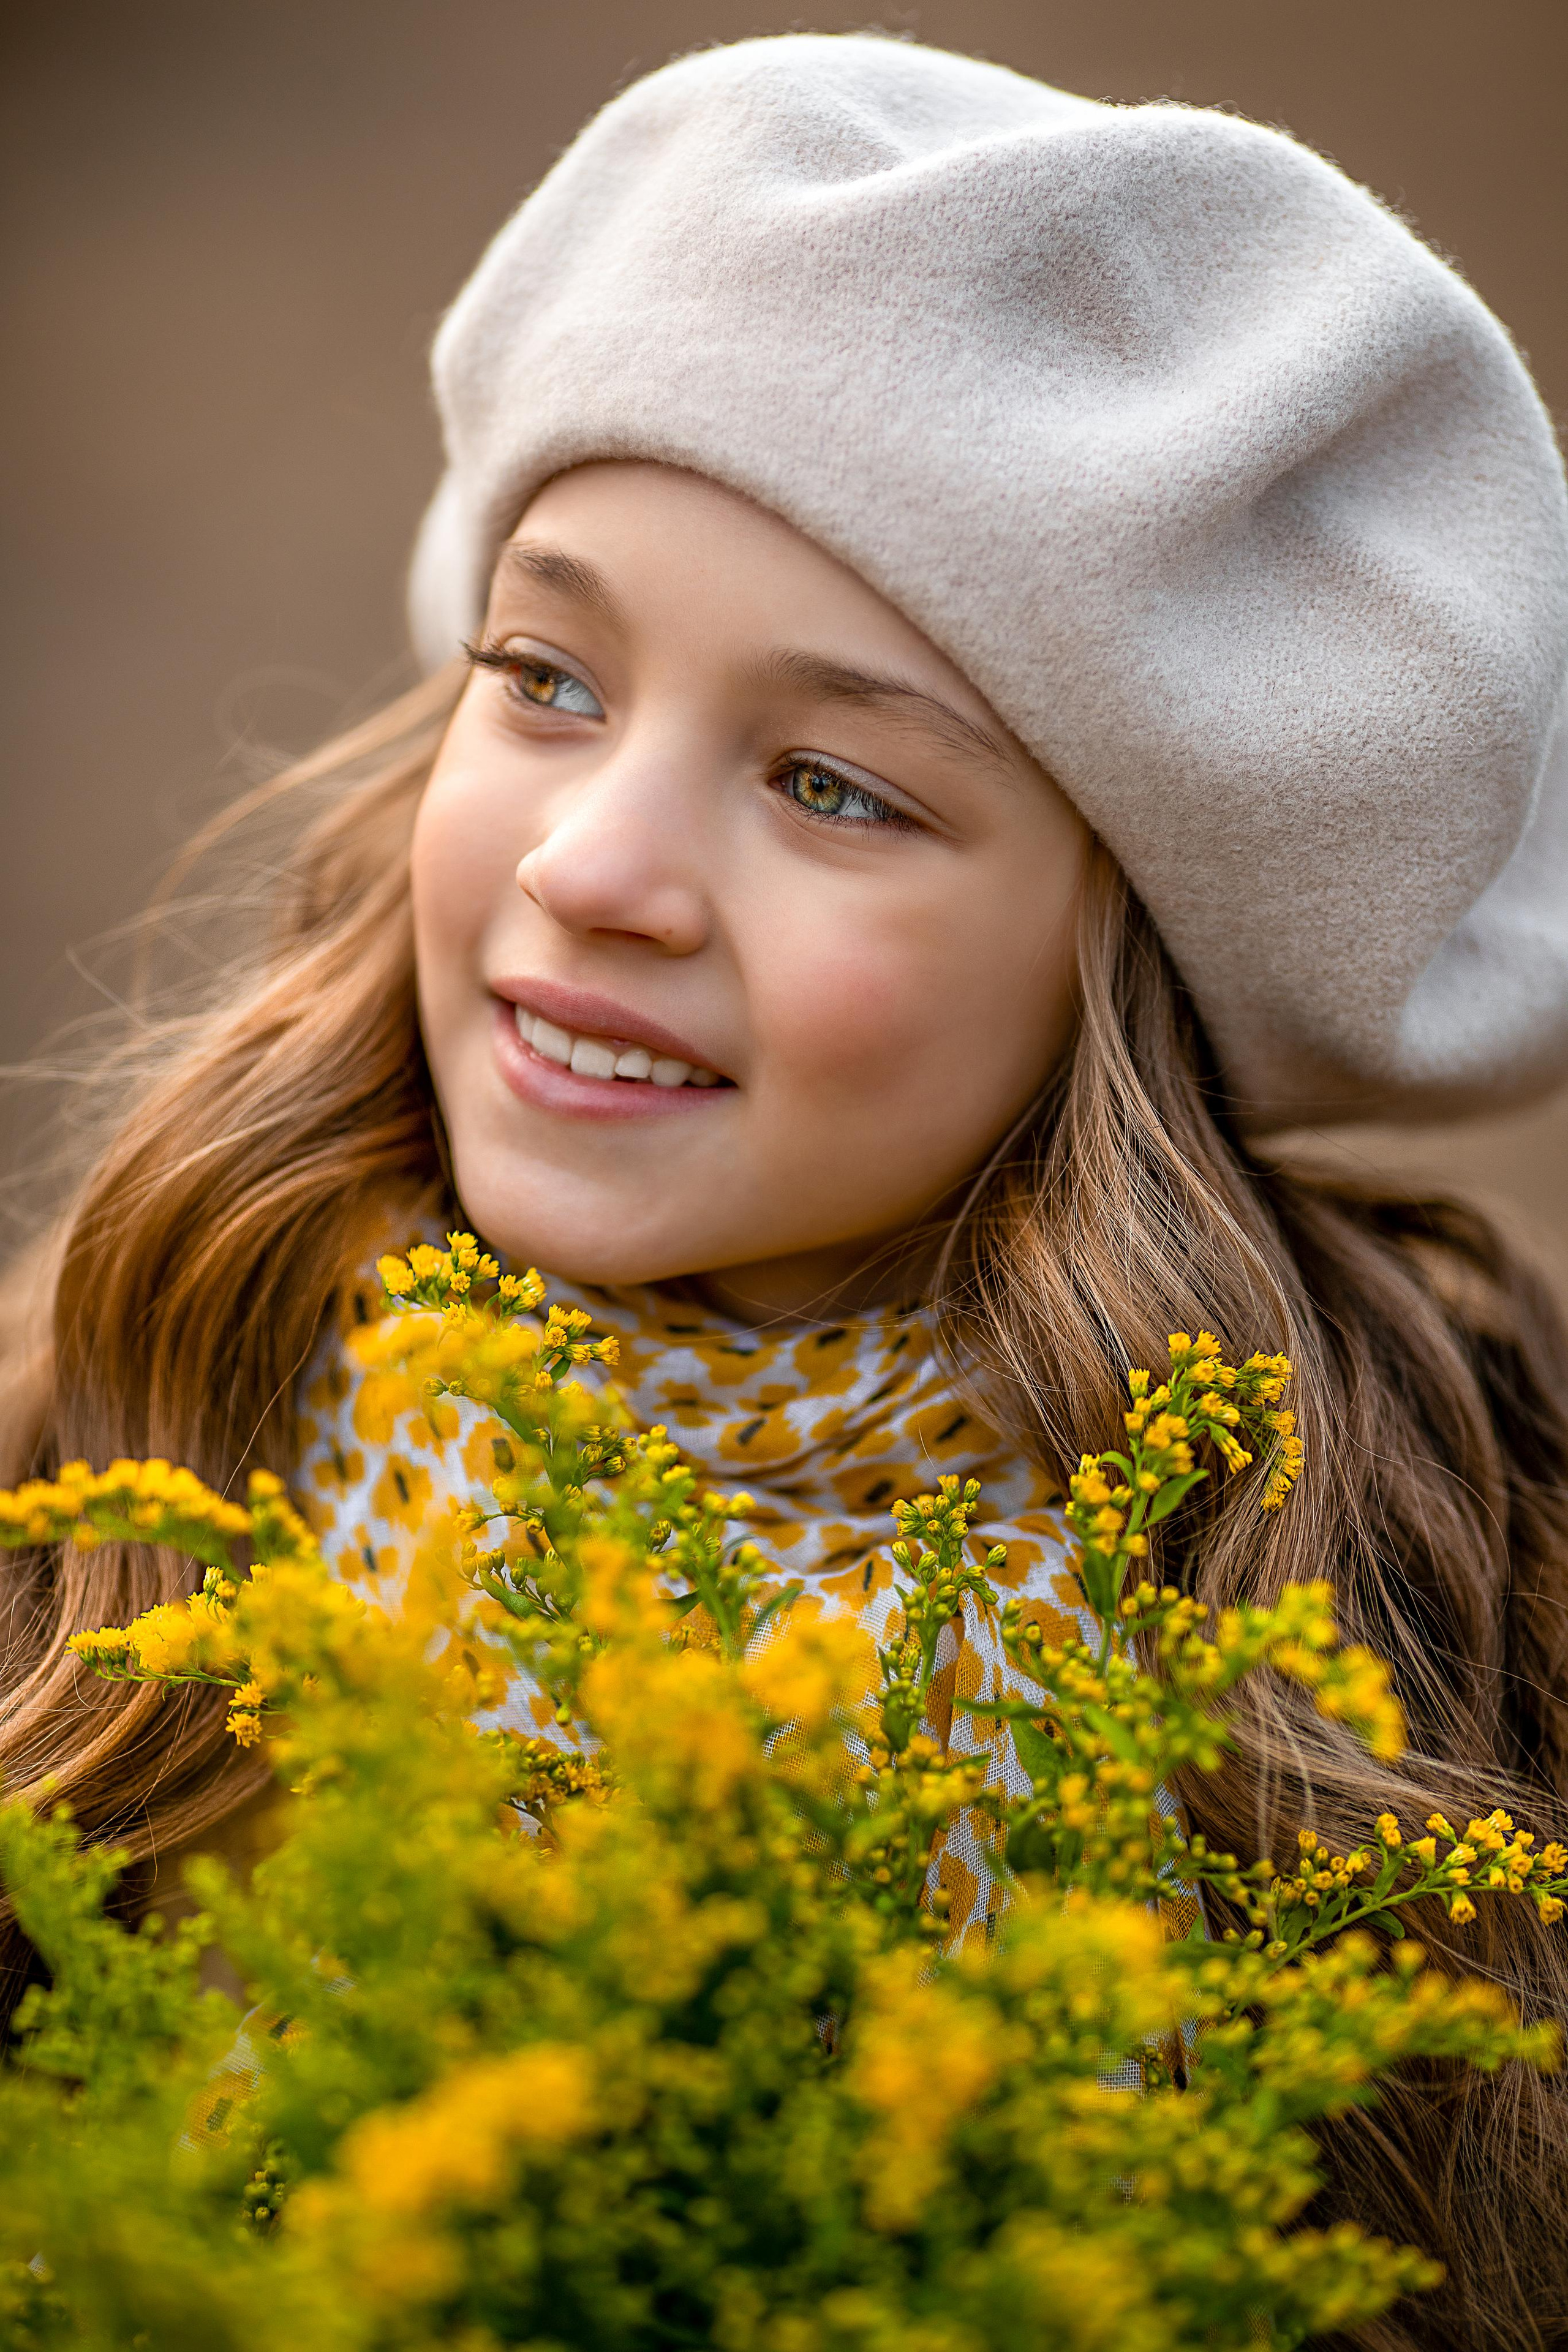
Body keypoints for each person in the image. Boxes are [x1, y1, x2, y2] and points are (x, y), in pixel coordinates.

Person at [4, 33, 1568, 2349]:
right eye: (547, 675)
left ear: (1132, 970)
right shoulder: (139, 1421)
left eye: (834, 786)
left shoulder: (1312, 1679)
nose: (593, 863)